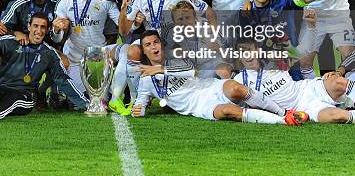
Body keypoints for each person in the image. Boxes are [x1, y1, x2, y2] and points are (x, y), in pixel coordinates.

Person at [131, 31, 308, 125]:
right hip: (199, 106)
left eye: (155, 42)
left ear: (161, 44)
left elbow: (191, 70)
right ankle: (283, 121)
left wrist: (161, 69)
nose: (153, 47)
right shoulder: (147, 80)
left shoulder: (175, 57)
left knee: (236, 89)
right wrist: (138, 110)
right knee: (229, 112)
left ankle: (284, 112)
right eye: (148, 45)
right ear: (144, 50)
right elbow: (140, 104)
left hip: (210, 86)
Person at [233, 39, 355, 126]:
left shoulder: (274, 62)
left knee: (337, 81)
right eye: (243, 52)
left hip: (309, 88)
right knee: (338, 117)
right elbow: (243, 106)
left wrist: (288, 42)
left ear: (257, 51)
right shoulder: (239, 80)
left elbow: (300, 55)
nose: (247, 55)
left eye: (250, 50)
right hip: (303, 108)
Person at [0, 12, 88, 123]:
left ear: (47, 30)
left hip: (24, 96)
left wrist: (86, 104)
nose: (39, 31)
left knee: (16, 97)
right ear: (29, 27)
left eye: (43, 27)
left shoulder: (49, 53)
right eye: (35, 26)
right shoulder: (12, 42)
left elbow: (62, 79)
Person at [52, 0, 120, 93]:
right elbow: (57, 39)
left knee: (126, 50)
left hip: (99, 58)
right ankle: (52, 93)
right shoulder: (64, 2)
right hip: (74, 61)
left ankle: (118, 95)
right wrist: (56, 29)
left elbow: (124, 27)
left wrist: (128, 12)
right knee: (81, 101)